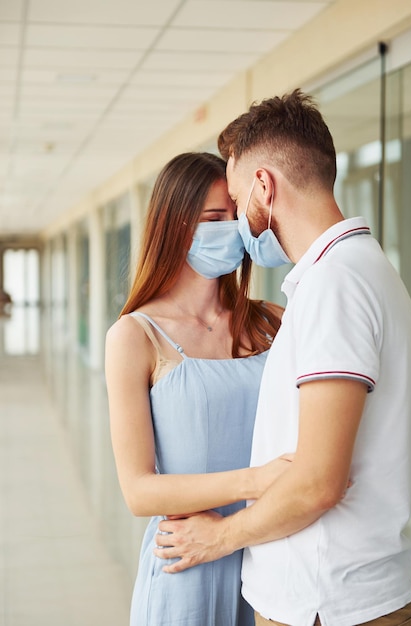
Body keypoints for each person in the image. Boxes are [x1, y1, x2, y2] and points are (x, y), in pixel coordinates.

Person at [154, 92, 411, 626]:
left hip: (328, 604)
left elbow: (319, 481)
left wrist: (217, 538)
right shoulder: (366, 270)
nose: (240, 226)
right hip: (350, 593)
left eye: (235, 198)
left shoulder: (333, 285)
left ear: (263, 187)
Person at [105, 151, 286, 626]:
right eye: (213, 219)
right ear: (173, 224)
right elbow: (139, 491)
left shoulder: (272, 320)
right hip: (190, 567)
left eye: (235, 217)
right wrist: (257, 480)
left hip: (276, 557)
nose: (229, 230)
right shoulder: (134, 336)